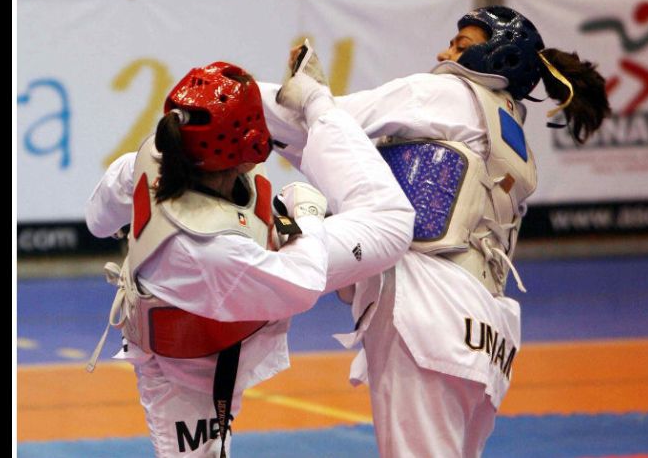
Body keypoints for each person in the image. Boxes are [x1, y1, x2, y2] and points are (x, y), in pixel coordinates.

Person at [259, 5, 611, 458]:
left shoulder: (448, 92)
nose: (445, 51)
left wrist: (227, 100)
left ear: (498, 59)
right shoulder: (509, 127)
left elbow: (325, 121)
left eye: (461, 45)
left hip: (427, 307)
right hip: (485, 329)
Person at [85, 60, 414, 457]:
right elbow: (303, 282)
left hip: (222, 309)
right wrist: (305, 214)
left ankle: (316, 111)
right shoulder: (207, 247)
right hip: (195, 355)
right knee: (390, 226)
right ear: (250, 146)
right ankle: (318, 111)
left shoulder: (150, 156)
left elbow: (97, 221)